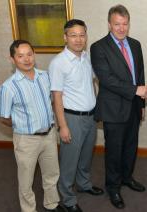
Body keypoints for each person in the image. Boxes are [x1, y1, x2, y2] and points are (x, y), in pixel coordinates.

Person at [90, 4, 147, 209]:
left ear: (128, 24)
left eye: (125, 24)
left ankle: (127, 178)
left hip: (133, 106)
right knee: (114, 150)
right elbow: (107, 80)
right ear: (109, 24)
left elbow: (139, 75)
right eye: (117, 24)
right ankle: (113, 187)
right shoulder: (98, 47)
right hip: (113, 109)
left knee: (131, 147)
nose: (121, 28)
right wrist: (136, 91)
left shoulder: (136, 44)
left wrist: (140, 103)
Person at [0, 40, 64, 212]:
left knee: (52, 174)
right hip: (26, 140)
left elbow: (52, 103)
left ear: (34, 55)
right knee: (26, 181)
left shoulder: (45, 76)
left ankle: (52, 203)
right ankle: (29, 210)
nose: (26, 59)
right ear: (12, 59)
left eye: (29, 54)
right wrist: (21, 124)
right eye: (20, 56)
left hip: (49, 135)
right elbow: (2, 116)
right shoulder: (8, 87)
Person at [49, 19, 103, 212]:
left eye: (82, 35)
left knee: (86, 156)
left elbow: (96, 82)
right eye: (73, 35)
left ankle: (84, 184)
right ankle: (68, 199)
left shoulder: (87, 57)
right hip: (71, 119)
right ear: (65, 37)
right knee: (69, 161)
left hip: (90, 117)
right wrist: (62, 126)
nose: (78, 39)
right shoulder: (58, 63)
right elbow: (56, 97)